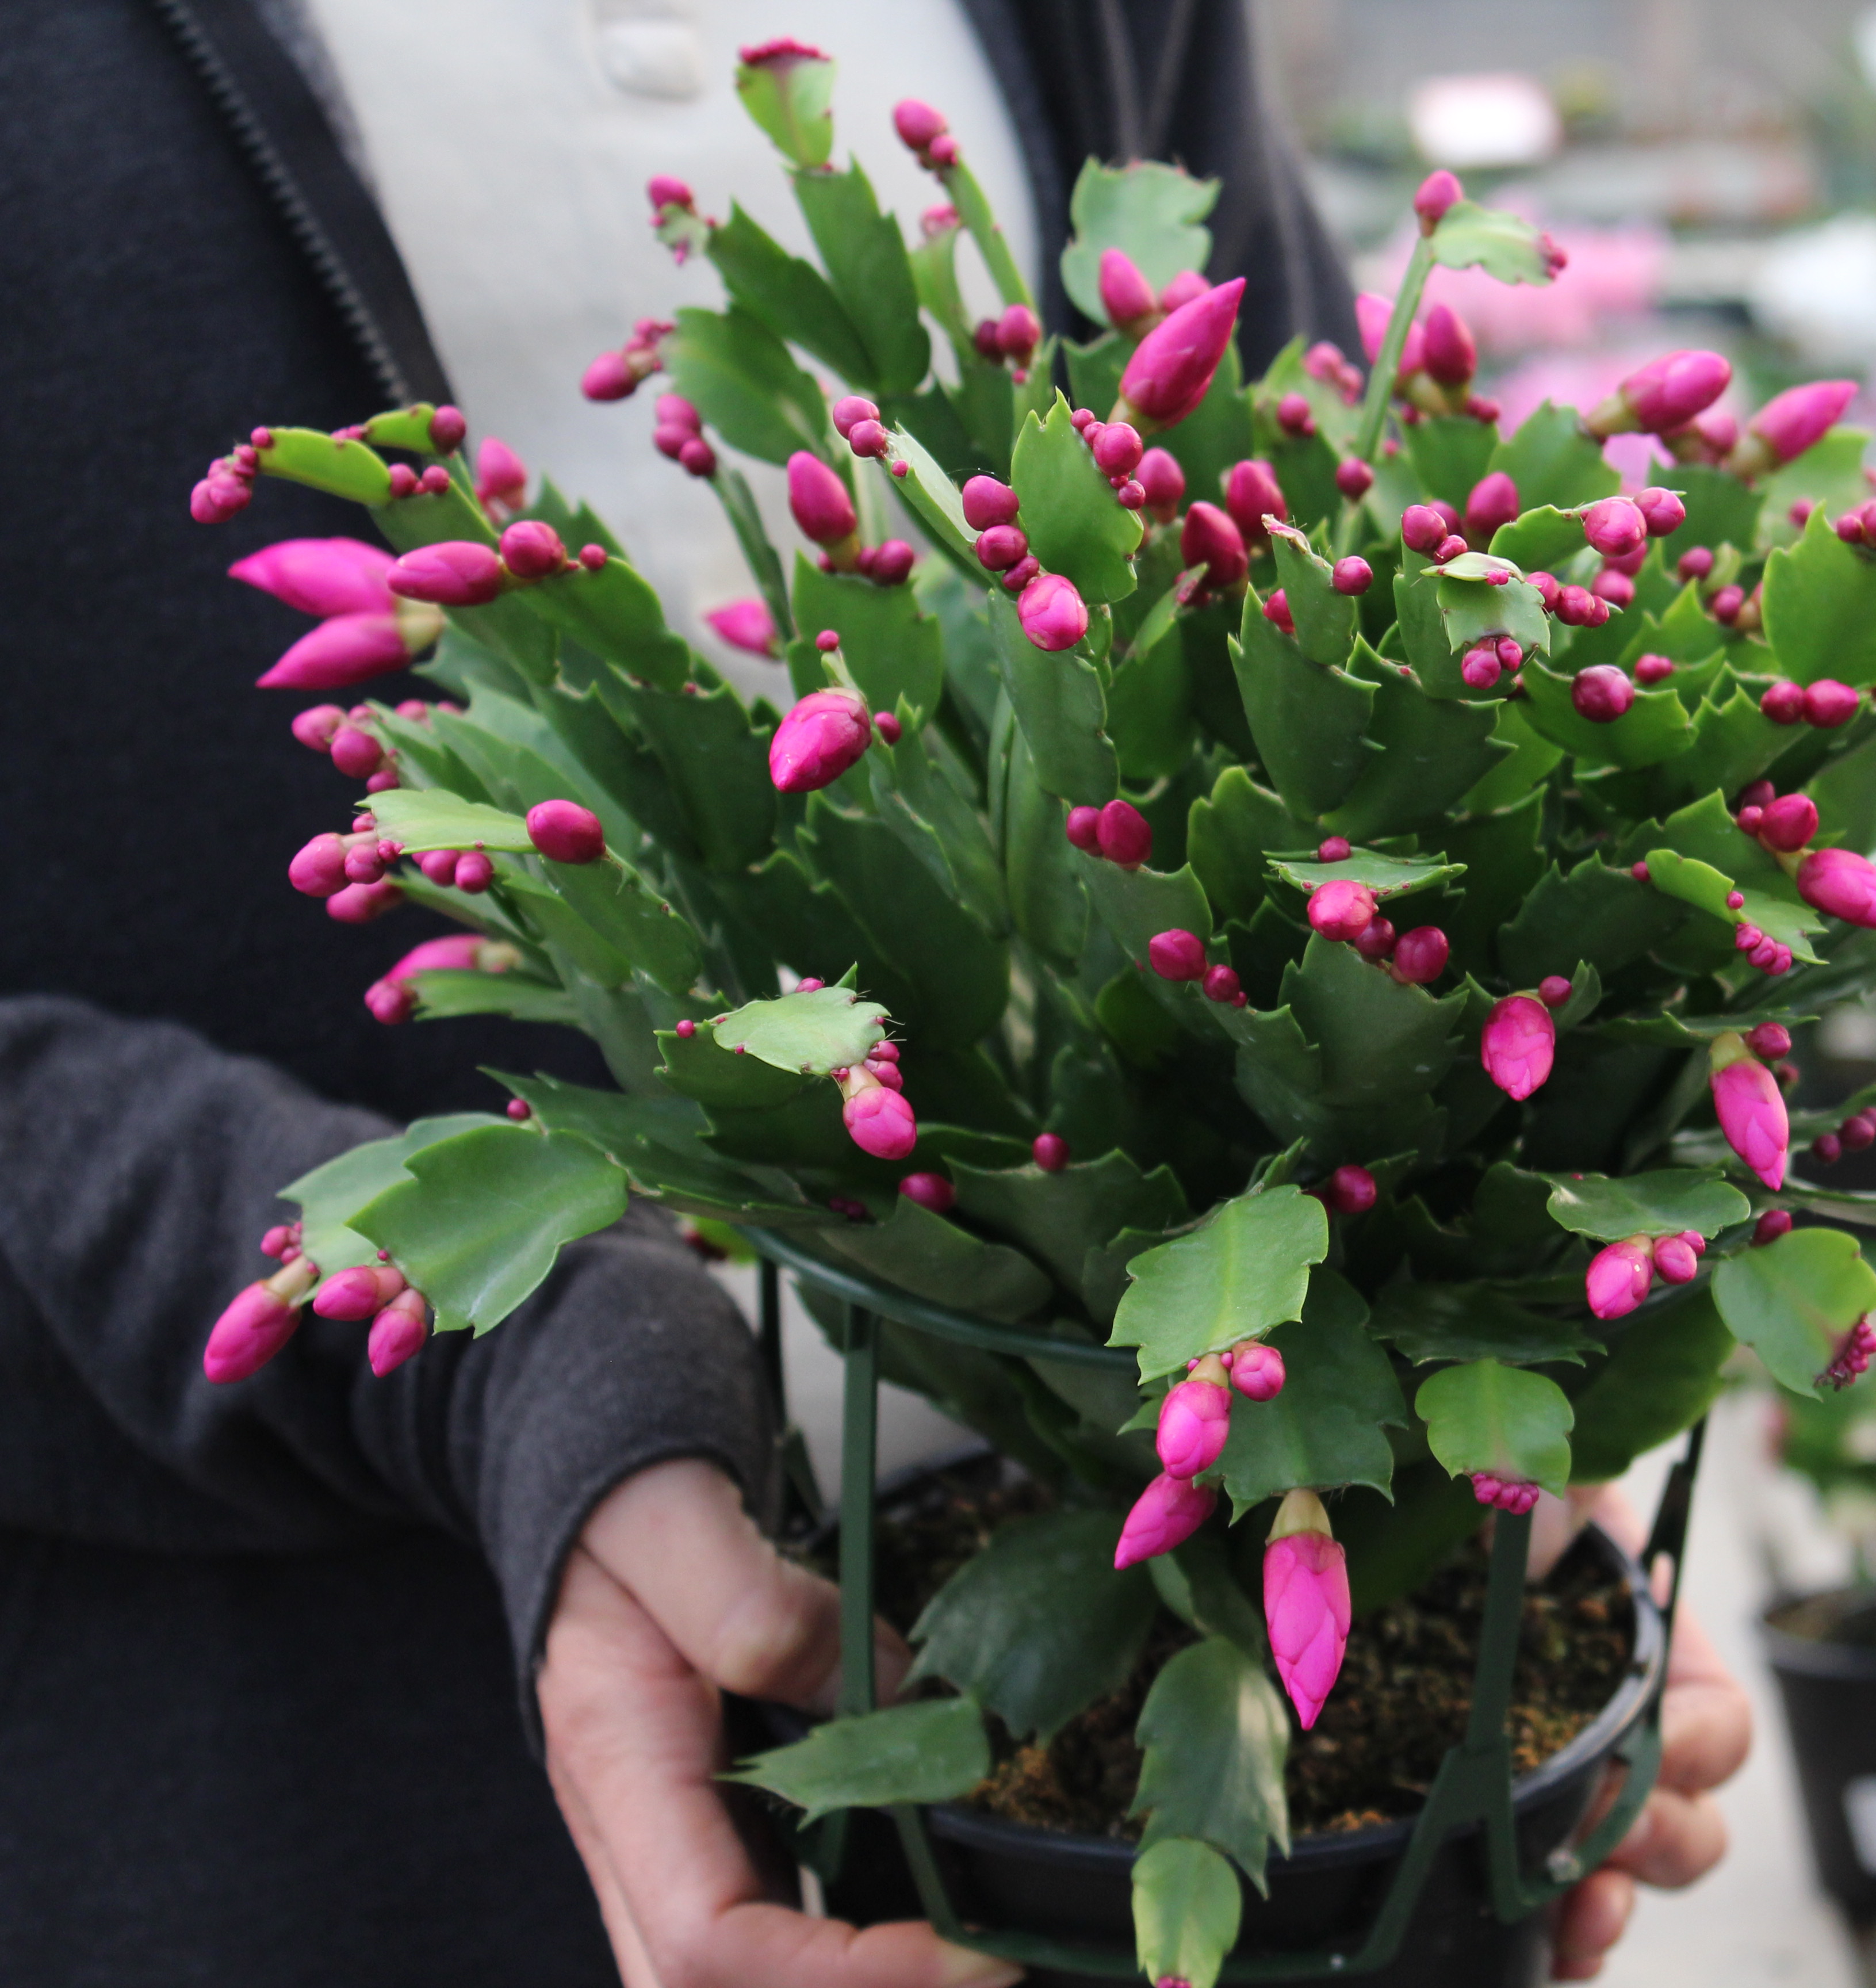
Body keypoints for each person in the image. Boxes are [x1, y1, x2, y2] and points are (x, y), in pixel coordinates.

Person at [0, 5, 1744, 1984]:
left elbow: (1328, 553)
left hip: (1275, 1644)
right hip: (325, 1810)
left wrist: (1495, 1380)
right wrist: (499, 1362)